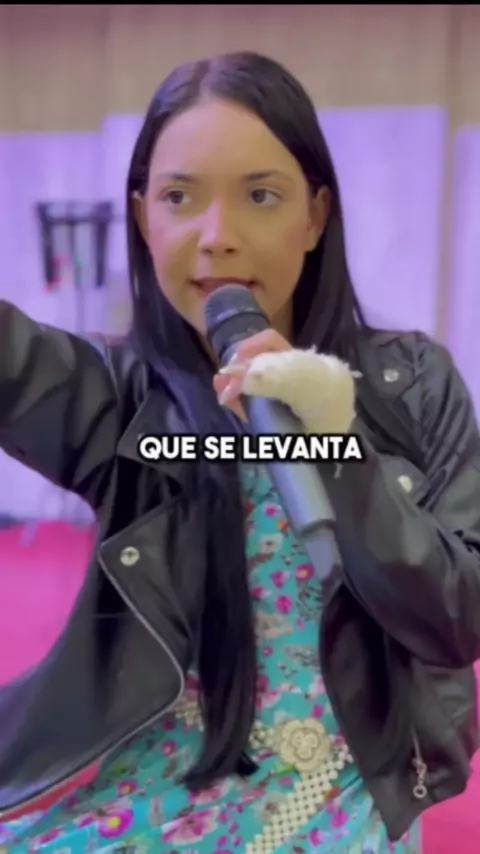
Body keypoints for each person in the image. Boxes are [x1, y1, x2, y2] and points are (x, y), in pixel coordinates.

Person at [0, 51, 479, 854]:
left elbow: (457, 615)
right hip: (156, 779)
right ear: (144, 219)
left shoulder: (413, 382)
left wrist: (337, 447)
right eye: (179, 198)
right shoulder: (120, 396)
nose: (217, 237)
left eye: (260, 196)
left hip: (337, 788)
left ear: (315, 216)